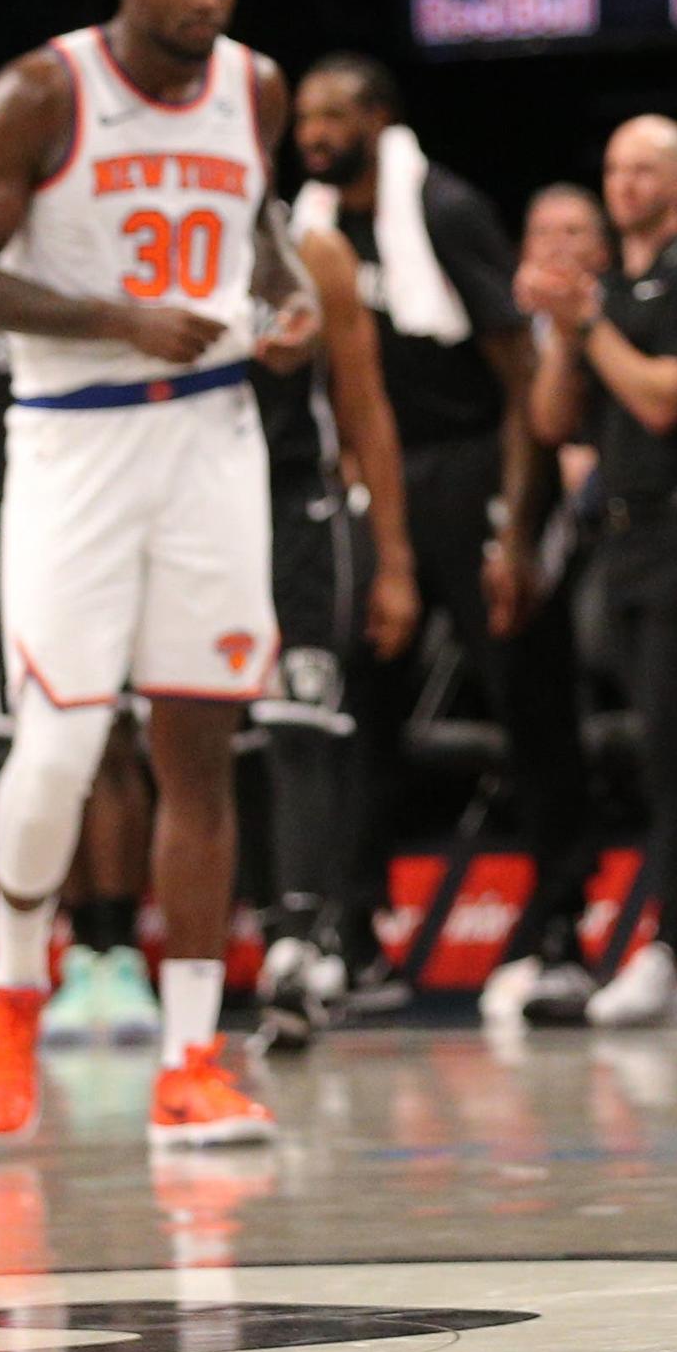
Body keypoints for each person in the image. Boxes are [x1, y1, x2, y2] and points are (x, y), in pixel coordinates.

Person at [0, 0, 302, 1147]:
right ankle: (15, 976)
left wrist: (287, 300)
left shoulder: (256, 88)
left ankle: (191, 1057)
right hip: (76, 438)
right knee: (65, 744)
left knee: (202, 744)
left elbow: (260, 231)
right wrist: (116, 317)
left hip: (209, 434)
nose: (205, 0)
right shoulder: (42, 90)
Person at [518, 116, 677, 1029]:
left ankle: (674, 943)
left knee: (674, 743)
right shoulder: (608, 286)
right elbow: (555, 421)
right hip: (617, 538)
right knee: (673, 745)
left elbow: (665, 400)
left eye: (645, 169)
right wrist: (561, 330)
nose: (625, 184)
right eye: (616, 168)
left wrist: (591, 326)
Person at [285, 55, 526, 1008]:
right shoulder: (302, 234)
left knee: (515, 692)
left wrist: (514, 516)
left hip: (466, 469)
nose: (313, 130)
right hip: (364, 481)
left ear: (379, 118)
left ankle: (551, 922)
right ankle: (354, 929)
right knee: (358, 710)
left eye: (333, 111)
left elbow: (516, 369)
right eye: (304, 114)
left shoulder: (447, 209)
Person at [241, 200, 417, 1048]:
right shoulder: (148, 248)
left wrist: (393, 557)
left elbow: (366, 404)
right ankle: (234, 936)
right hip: (191, 513)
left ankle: (299, 944)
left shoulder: (315, 252)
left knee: (300, 723)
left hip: (295, 514)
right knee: (206, 736)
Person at [473, 181, 608, 1024]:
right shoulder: (496, 331)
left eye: (575, 230)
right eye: (542, 229)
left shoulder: (621, 307)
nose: (557, 244)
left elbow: (565, 428)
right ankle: (550, 907)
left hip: (615, 544)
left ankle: (580, 917)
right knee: (525, 721)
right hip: (527, 550)